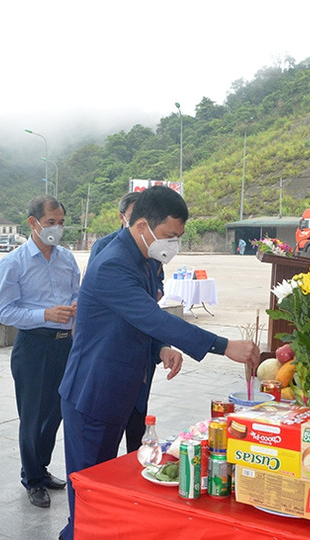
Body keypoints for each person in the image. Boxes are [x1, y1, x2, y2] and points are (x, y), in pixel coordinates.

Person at [57, 185, 261, 540]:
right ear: (141, 227)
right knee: (89, 488)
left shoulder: (145, 258)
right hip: (93, 392)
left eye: (179, 237)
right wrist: (223, 345)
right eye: (169, 236)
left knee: (107, 485)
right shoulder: (113, 263)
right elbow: (153, 318)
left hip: (124, 388)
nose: (174, 244)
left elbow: (137, 321)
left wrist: (159, 349)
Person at [0, 195, 80, 509]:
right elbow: (5, 312)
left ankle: (41, 468)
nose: (56, 229)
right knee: (31, 416)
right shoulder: (13, 262)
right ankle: (32, 480)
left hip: (64, 344)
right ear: (33, 223)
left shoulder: (67, 259)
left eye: (60, 223)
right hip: (32, 346)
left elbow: (76, 293)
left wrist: (74, 307)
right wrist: (45, 314)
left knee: (56, 412)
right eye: (50, 223)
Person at [88, 190, 163, 453]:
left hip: (141, 348)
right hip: (113, 350)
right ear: (124, 218)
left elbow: (155, 294)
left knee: (138, 420)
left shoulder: (152, 250)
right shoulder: (107, 251)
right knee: (103, 440)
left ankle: (134, 470)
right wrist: (221, 345)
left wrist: (160, 346)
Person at [88, 191, 140, 264]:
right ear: (122, 217)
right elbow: (92, 274)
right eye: (133, 216)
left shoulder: (150, 249)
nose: (140, 221)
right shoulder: (103, 245)